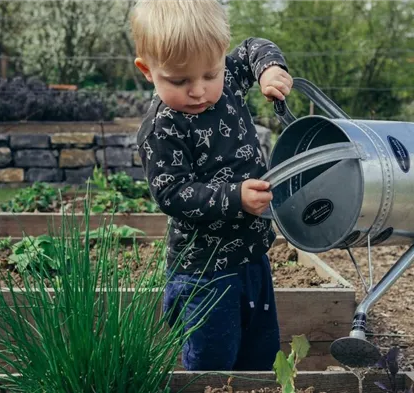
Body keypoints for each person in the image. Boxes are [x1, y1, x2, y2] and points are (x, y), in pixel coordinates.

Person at [129, 0, 293, 371]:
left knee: (261, 353)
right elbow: (172, 192)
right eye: (179, 80)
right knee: (213, 362)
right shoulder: (162, 128)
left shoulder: (230, 76)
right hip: (204, 270)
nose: (199, 90)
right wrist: (234, 197)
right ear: (147, 70)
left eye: (209, 74)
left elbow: (254, 47)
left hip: (253, 256)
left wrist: (269, 70)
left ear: (221, 57)